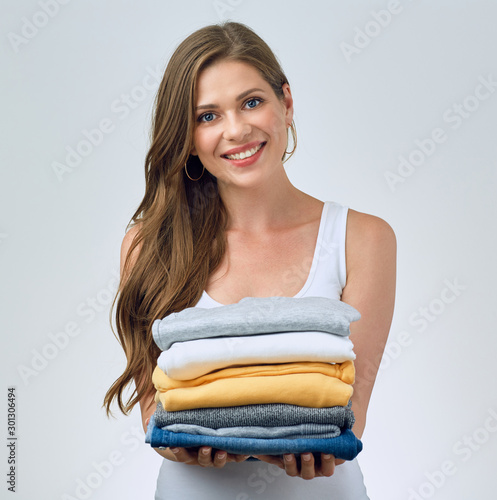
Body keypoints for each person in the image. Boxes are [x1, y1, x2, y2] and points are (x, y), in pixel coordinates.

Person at [103, 21, 396, 499]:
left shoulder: (362, 238)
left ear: (287, 103)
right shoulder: (149, 245)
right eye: (207, 116)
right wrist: (183, 442)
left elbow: (351, 408)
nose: (236, 130)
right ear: (188, 135)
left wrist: (318, 442)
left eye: (252, 102)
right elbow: (157, 417)